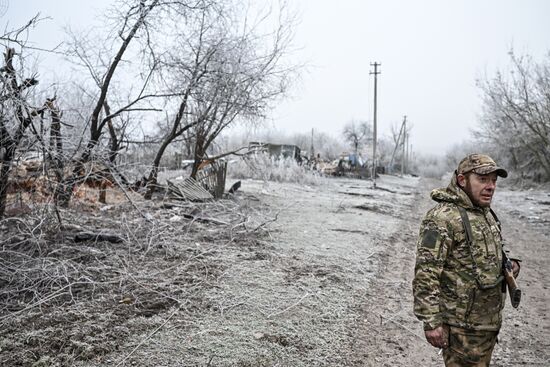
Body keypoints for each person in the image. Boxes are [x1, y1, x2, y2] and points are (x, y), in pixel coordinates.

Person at [412, 153, 520, 366]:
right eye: (483, 179)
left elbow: (478, 256)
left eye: (493, 181)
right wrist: (432, 322)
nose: (491, 186)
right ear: (462, 180)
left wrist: (506, 266)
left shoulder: (484, 213)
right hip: (461, 328)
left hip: (486, 325)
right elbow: (426, 273)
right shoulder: (441, 218)